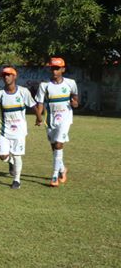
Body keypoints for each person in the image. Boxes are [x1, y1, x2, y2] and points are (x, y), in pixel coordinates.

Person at [0, 66, 37, 189]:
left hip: (19, 131)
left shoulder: (23, 91)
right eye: (4, 75)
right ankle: (9, 162)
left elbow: (33, 105)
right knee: (2, 156)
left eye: (9, 75)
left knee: (17, 155)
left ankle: (17, 180)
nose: (6, 77)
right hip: (4, 131)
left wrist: (39, 117)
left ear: (14, 76)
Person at [34, 57, 79, 187]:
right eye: (52, 68)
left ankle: (54, 175)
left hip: (65, 118)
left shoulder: (71, 83)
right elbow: (40, 102)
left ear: (63, 69)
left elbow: (76, 100)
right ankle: (62, 169)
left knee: (59, 144)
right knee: (54, 146)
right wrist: (39, 117)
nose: (54, 71)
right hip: (50, 118)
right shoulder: (44, 85)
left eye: (57, 68)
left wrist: (75, 103)